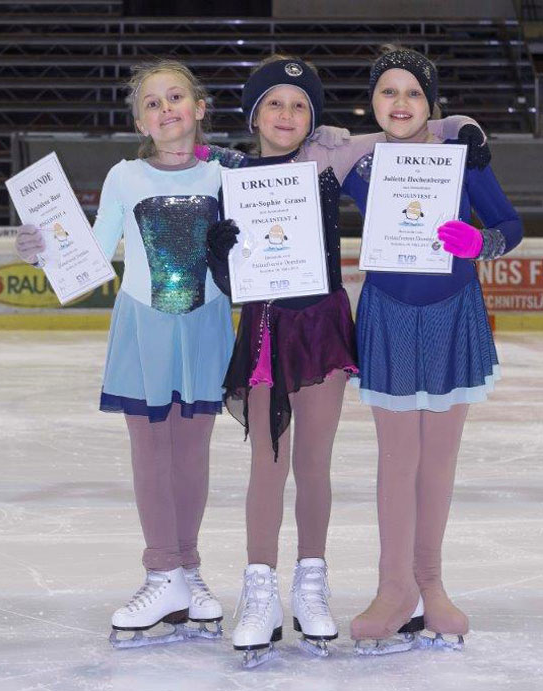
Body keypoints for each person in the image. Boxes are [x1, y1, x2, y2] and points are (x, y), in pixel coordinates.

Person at [199, 54, 486, 664]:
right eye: (274, 103)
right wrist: (221, 257)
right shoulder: (234, 177)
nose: (286, 115)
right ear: (253, 114)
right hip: (265, 330)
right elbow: (231, 281)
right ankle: (259, 590)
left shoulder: (331, 157)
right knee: (267, 462)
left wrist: (462, 126)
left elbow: (404, 129)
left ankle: (311, 584)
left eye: (299, 105)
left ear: (315, 118)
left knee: (315, 463)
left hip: (323, 327)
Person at [15, 59, 236, 648]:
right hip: (144, 326)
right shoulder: (124, 177)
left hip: (205, 325)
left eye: (176, 97)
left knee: (192, 454)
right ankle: (162, 570)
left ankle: (188, 570)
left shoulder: (226, 176)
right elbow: (89, 253)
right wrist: (41, 248)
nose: (166, 110)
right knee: (151, 452)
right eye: (152, 104)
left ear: (200, 107)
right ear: (140, 122)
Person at [339, 46, 523, 654]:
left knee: (438, 461)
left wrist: (480, 242)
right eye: (388, 91)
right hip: (388, 314)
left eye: (414, 93)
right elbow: (292, 158)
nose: (401, 103)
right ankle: (394, 588)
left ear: (430, 102)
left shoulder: (463, 156)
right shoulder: (357, 163)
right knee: (397, 460)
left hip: (453, 312)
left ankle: (430, 585)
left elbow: (511, 225)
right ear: (372, 101)